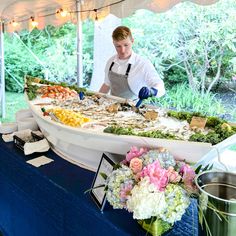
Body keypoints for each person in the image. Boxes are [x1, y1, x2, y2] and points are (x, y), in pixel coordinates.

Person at [99, 26, 165, 104]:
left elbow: (161, 87)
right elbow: (107, 84)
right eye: (118, 46)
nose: (122, 50)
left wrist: (152, 91)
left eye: (126, 45)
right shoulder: (111, 62)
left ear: (132, 41)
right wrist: (96, 99)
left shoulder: (142, 64)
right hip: (111, 107)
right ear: (113, 43)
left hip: (132, 111)